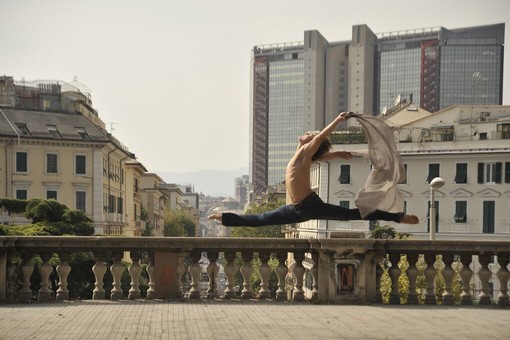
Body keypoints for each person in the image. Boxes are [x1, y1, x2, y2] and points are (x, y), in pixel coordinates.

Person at [208, 111, 419, 227]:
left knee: (352, 215)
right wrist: (335, 155)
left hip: (307, 206)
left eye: (309, 134)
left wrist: (337, 120)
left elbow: (319, 139)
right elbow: (318, 156)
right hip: (296, 209)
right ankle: (224, 218)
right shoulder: (301, 157)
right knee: (260, 220)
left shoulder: (305, 152)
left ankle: (398, 217)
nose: (308, 133)